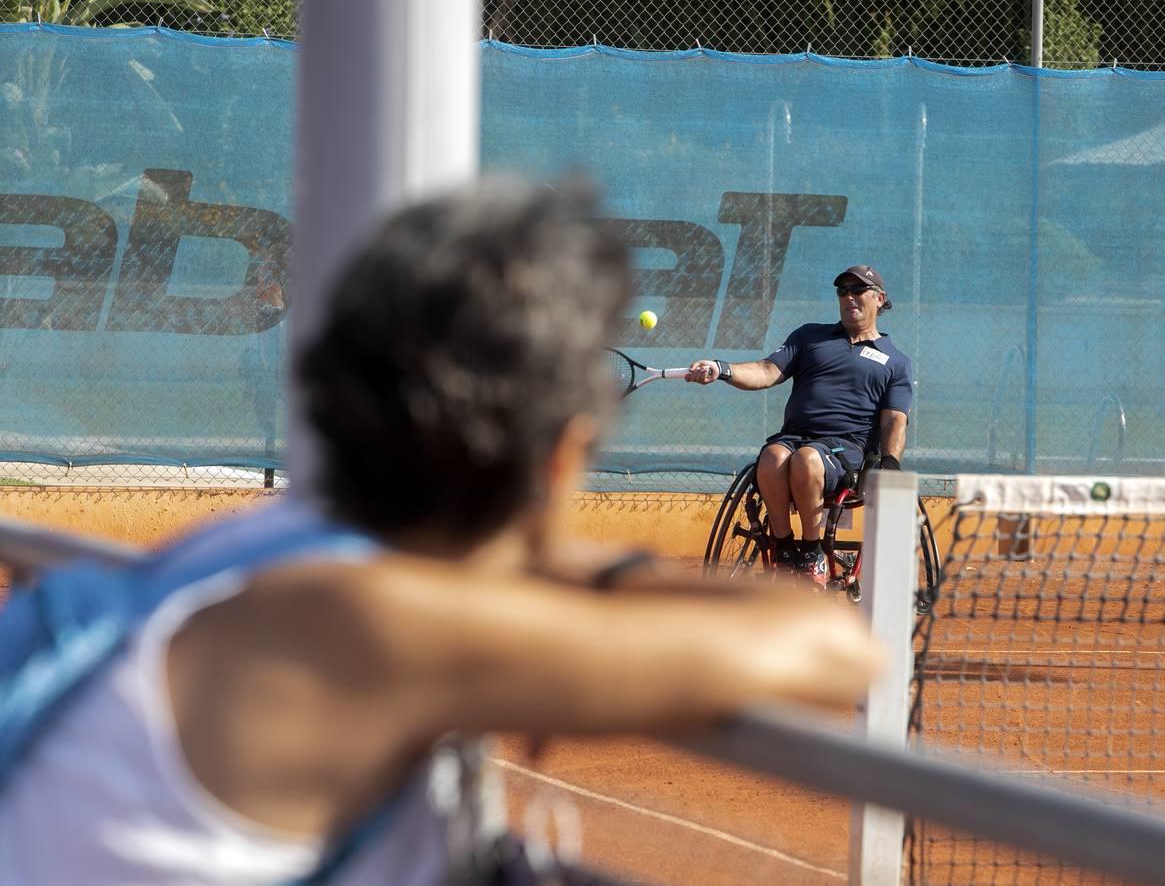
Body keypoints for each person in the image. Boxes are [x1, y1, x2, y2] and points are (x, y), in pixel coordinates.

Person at [0, 178, 883, 885]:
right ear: (562, 456)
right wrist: (553, 558)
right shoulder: (389, 625)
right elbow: (830, 646)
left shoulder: (252, 545)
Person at [687, 264, 913, 586]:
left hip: (846, 448)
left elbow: (895, 420)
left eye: (858, 290)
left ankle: (812, 552)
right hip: (794, 438)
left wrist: (890, 462)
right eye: (842, 291)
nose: (849, 297)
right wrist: (722, 369)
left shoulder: (896, 362)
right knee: (772, 457)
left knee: (807, 458)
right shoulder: (809, 337)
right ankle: (784, 548)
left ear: (879, 298)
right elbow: (766, 371)